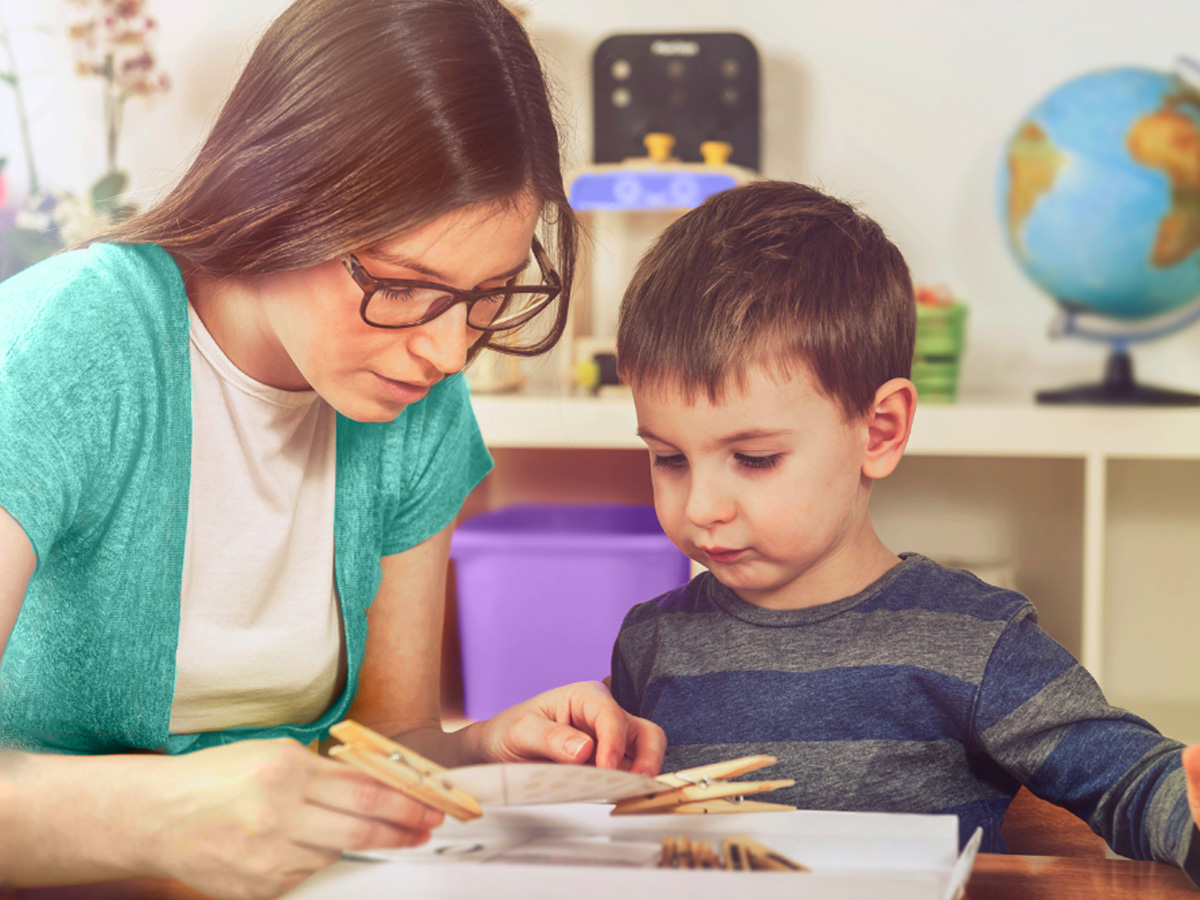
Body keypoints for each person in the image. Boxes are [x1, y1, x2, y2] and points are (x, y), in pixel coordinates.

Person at [0, 0, 664, 896]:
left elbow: (386, 749)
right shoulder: (70, 346)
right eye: (404, 285)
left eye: (490, 295)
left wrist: (476, 750)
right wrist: (148, 816)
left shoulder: (416, 400)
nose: (447, 349)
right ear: (279, 192)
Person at [608, 179, 1200, 882]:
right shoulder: (649, 645)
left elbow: (1133, 781)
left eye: (755, 458)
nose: (702, 504)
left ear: (879, 431)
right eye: (669, 459)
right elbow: (614, 830)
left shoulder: (975, 640)